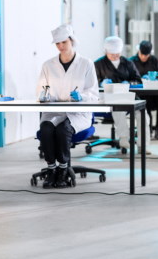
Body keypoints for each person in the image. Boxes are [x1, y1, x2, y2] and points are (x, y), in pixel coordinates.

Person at [36, 24, 99, 188]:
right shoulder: (48, 65)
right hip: (54, 111)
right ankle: (51, 170)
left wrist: (82, 97)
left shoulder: (86, 63)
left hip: (78, 112)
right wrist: (44, 96)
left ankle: (63, 171)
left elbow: (93, 93)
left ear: (72, 40)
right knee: (46, 130)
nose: (61, 46)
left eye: (64, 42)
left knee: (63, 130)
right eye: (57, 44)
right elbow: (42, 88)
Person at [94, 36, 148, 152]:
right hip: (109, 99)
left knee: (142, 113)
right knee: (118, 109)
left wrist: (128, 83)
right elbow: (92, 84)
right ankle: (124, 138)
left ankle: (143, 144)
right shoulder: (98, 64)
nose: (115, 56)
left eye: (117, 54)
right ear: (106, 51)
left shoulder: (128, 63)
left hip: (128, 96)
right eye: (112, 54)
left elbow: (138, 80)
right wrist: (101, 84)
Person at [130, 40, 158, 140]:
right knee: (144, 104)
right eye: (142, 54)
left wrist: (154, 77)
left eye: (146, 55)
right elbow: (129, 77)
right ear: (139, 51)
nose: (144, 57)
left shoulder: (155, 61)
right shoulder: (131, 61)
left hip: (155, 92)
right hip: (140, 93)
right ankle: (147, 129)